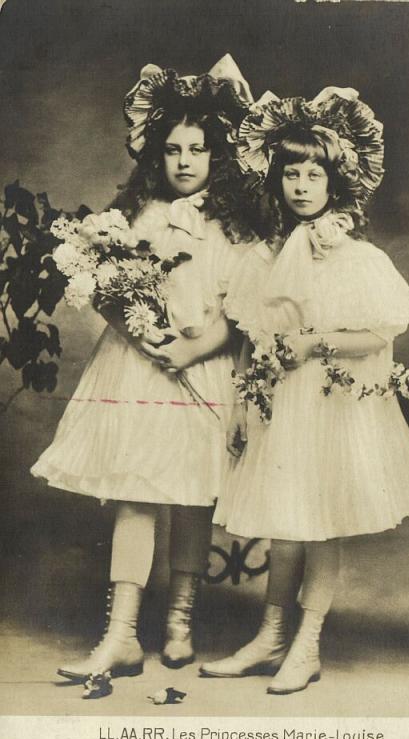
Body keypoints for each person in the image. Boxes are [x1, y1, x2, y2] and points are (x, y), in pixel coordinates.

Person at [200, 88, 409, 694]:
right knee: (286, 523)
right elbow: (254, 339)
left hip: (331, 406)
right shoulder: (266, 255)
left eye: (314, 173)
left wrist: (314, 343)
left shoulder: (356, 258)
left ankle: (306, 644)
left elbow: (377, 334)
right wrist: (240, 408)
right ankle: (270, 637)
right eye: (291, 173)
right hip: (280, 404)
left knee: (321, 521)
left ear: (336, 181)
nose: (301, 186)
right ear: (277, 180)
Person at [31, 54, 256, 680]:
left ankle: (180, 622)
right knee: (135, 496)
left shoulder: (237, 226)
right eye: (174, 150)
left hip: (202, 367)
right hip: (136, 371)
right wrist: (137, 326)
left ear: (218, 156)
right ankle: (121, 633)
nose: (184, 161)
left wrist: (191, 347)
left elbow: (246, 307)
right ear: (156, 155)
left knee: (192, 498)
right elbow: (108, 284)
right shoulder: (133, 217)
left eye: (198, 150)